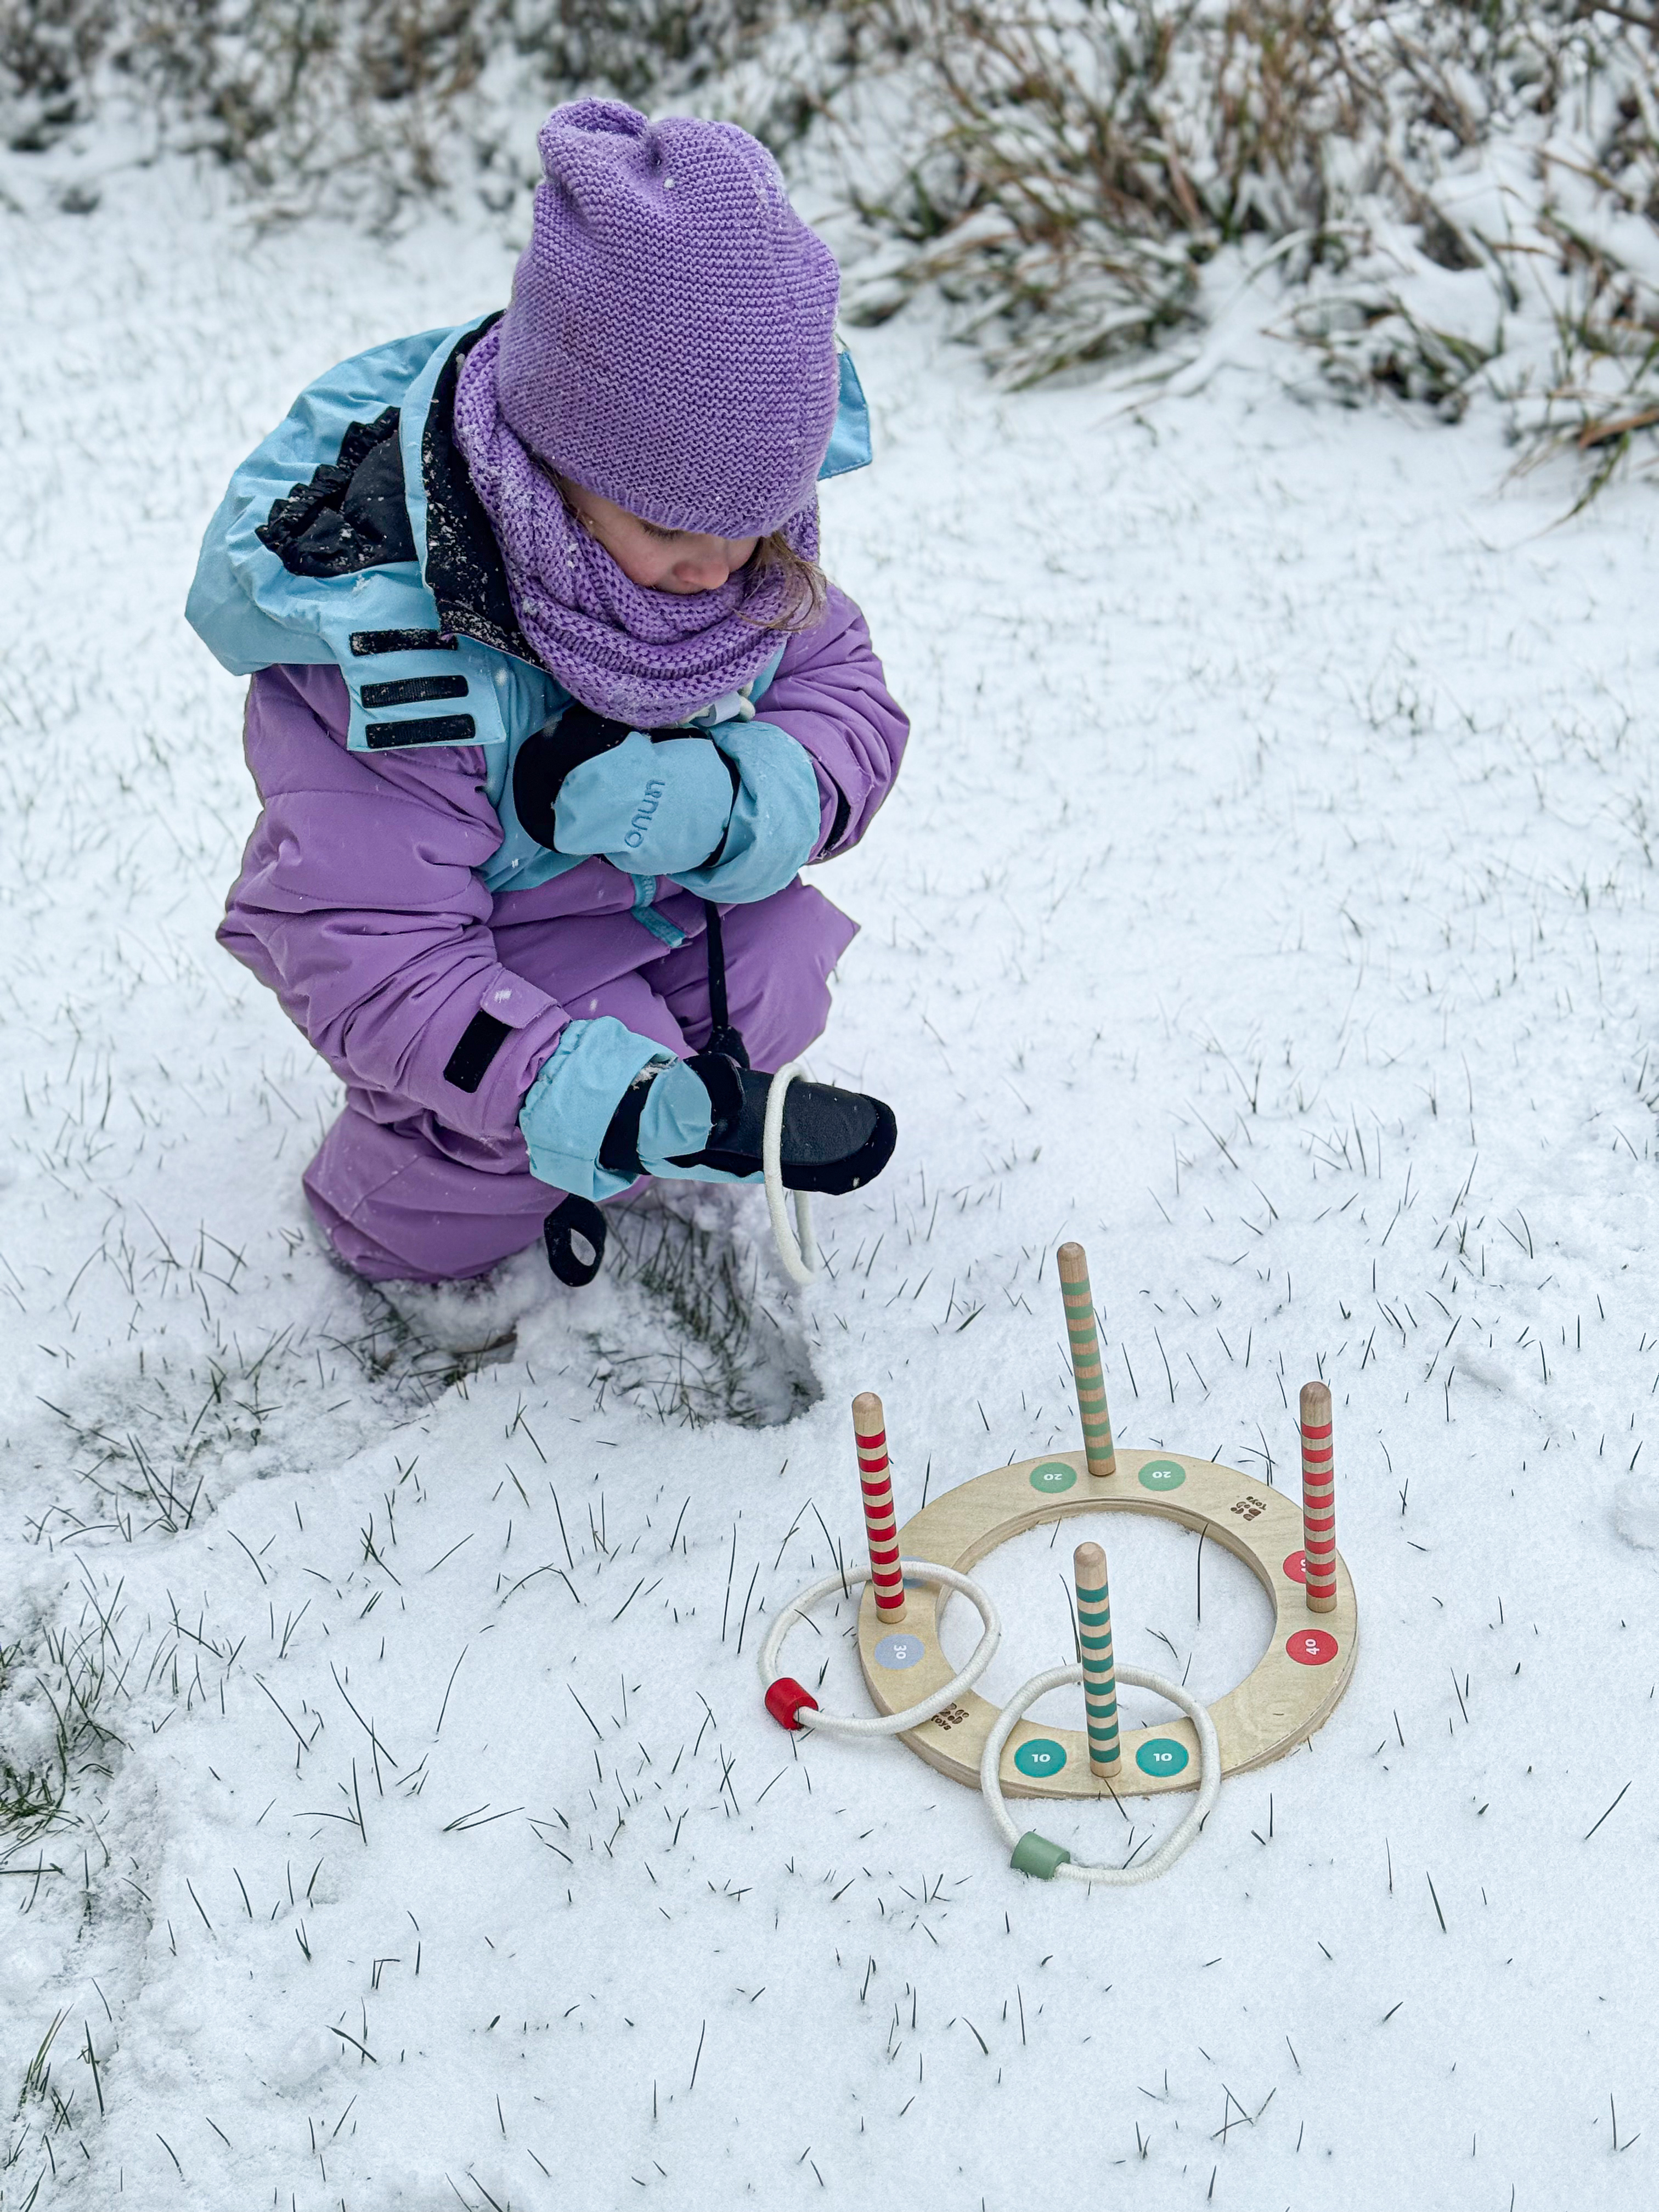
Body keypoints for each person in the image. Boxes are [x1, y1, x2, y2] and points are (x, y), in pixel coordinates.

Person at [187, 99, 907, 1289]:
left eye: (753, 525)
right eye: (673, 529)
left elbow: (846, 700)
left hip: (647, 909)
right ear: (554, 465)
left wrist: (733, 799)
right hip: (476, 952)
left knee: (773, 980)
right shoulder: (402, 646)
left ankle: (638, 1119)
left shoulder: (742, 559)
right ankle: (396, 1218)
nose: (719, 570)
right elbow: (365, 947)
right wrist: (570, 1084)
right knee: (506, 1150)